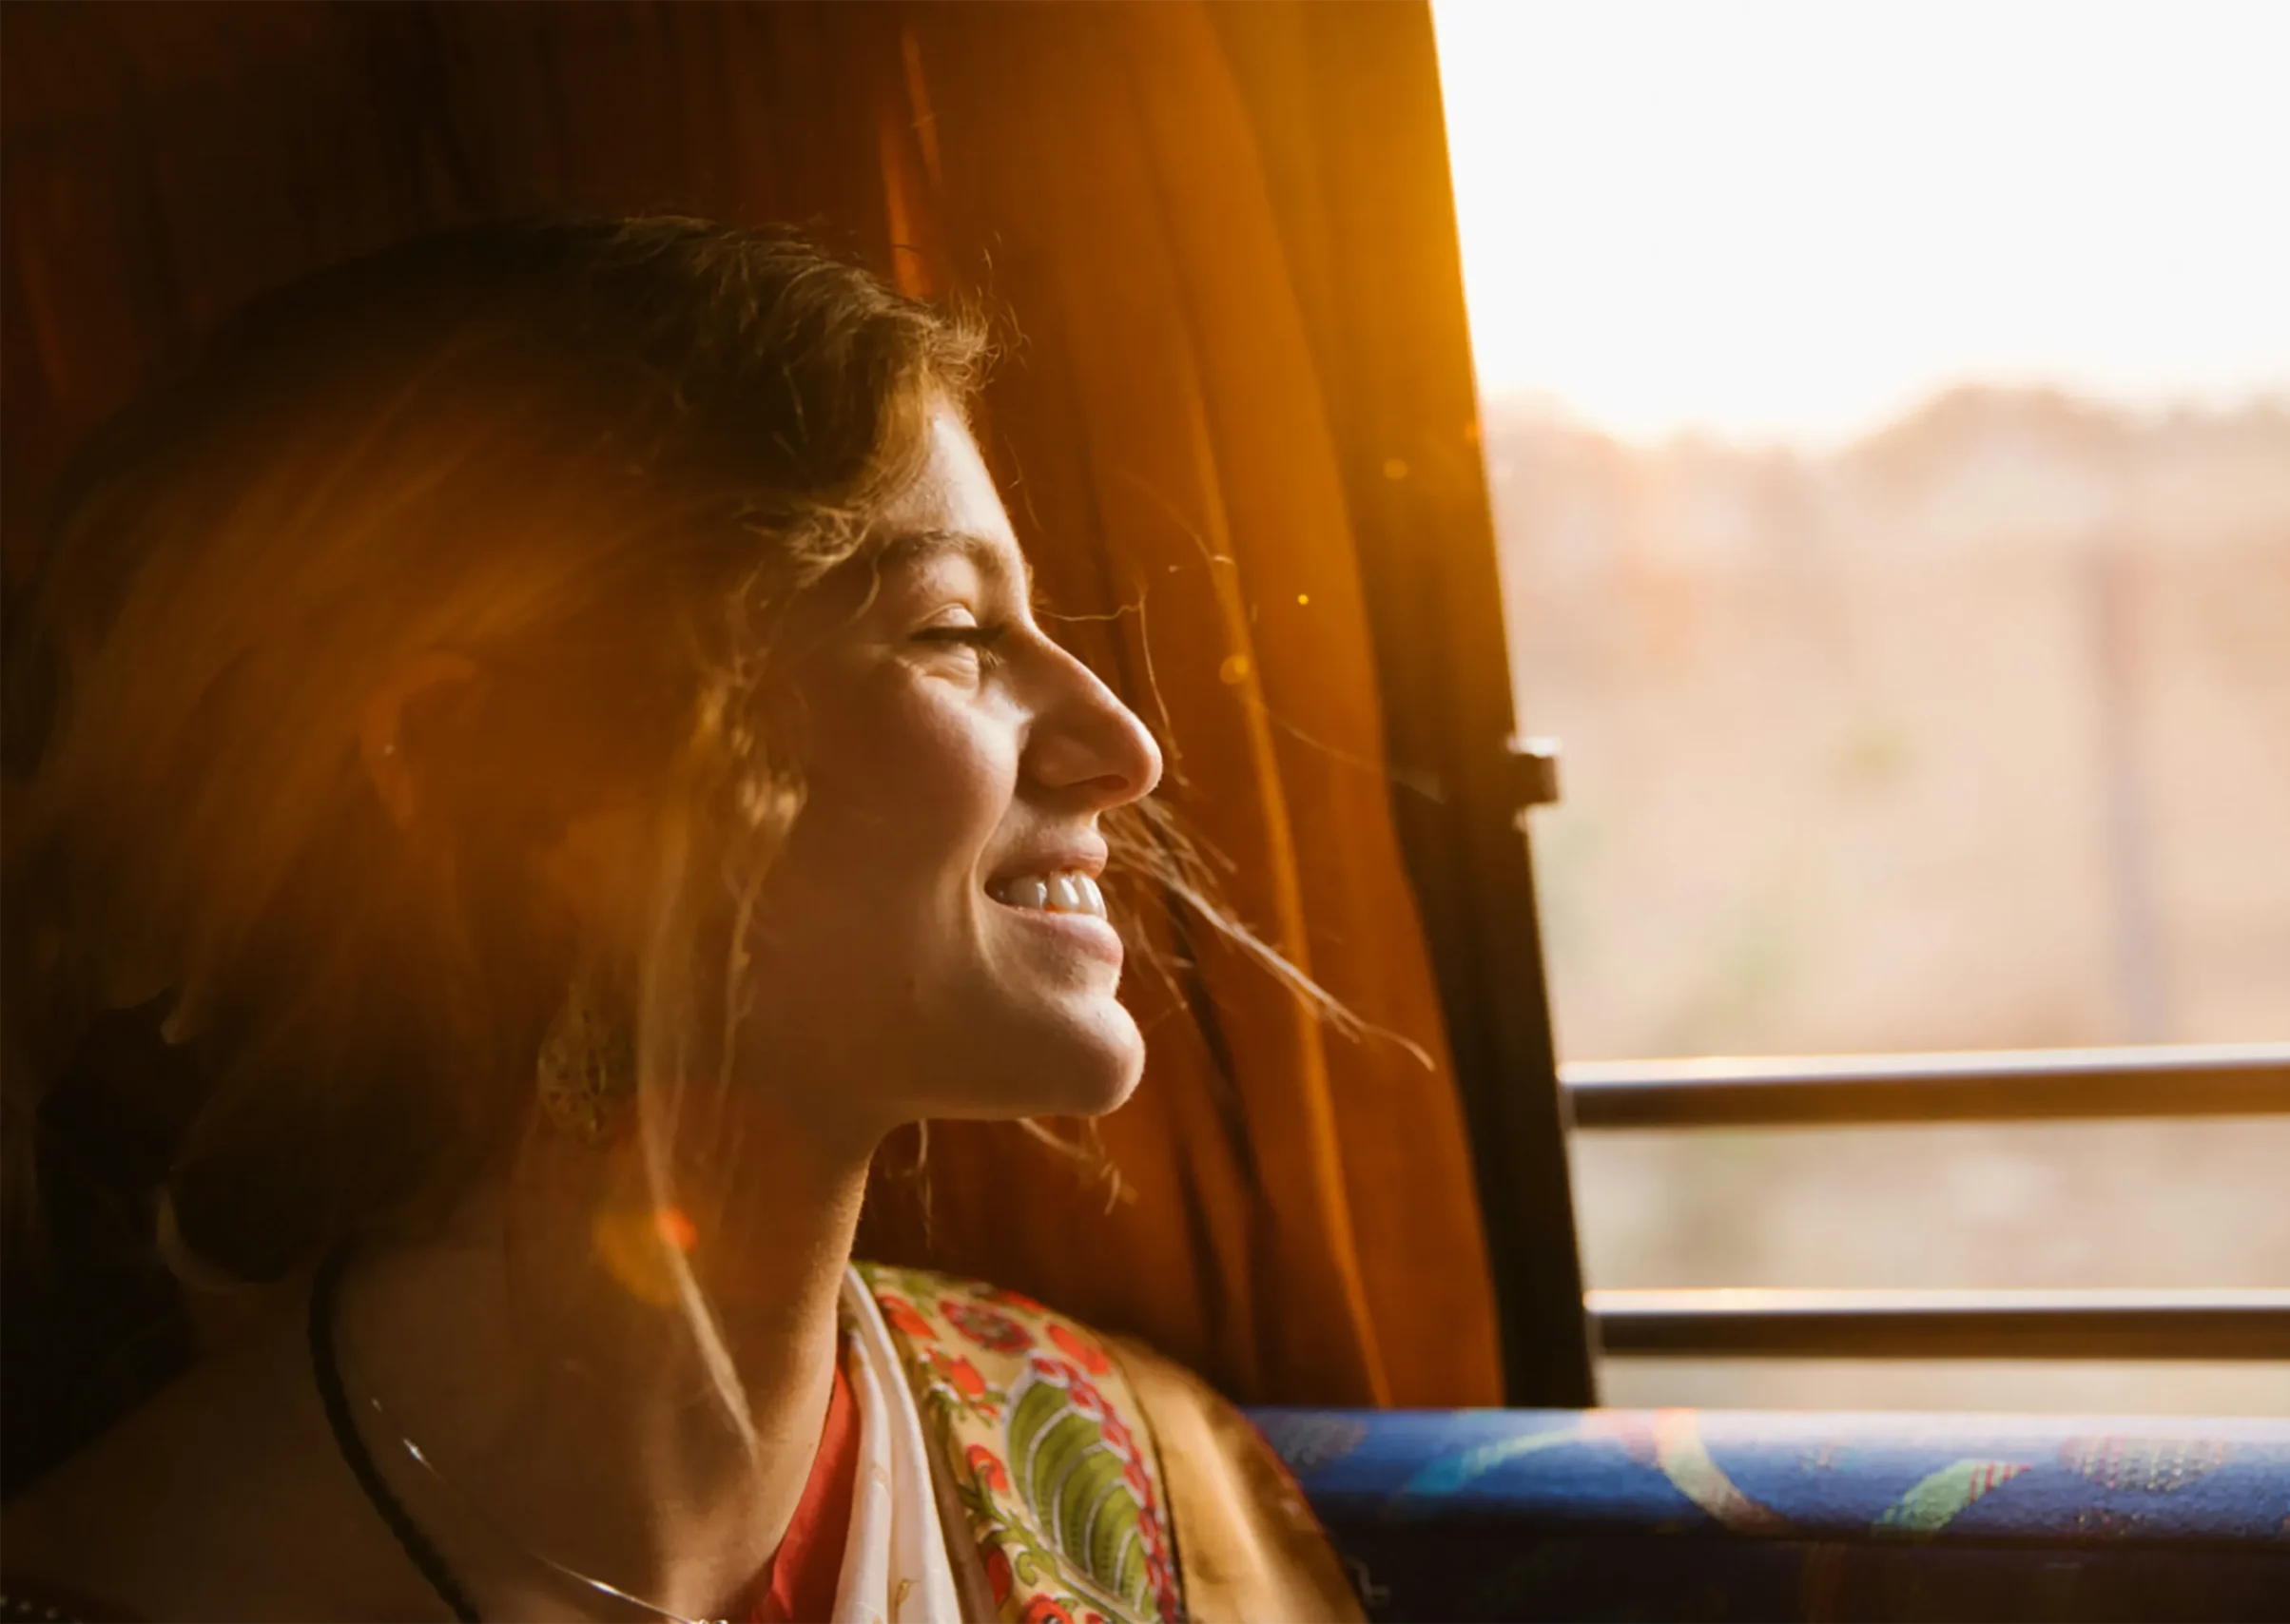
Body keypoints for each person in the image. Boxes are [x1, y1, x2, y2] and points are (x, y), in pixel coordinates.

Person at [0, 219, 1360, 1623]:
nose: (1122, 743)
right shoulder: (107, 1582)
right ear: (491, 771)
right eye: (952, 631)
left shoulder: (1137, 1487)